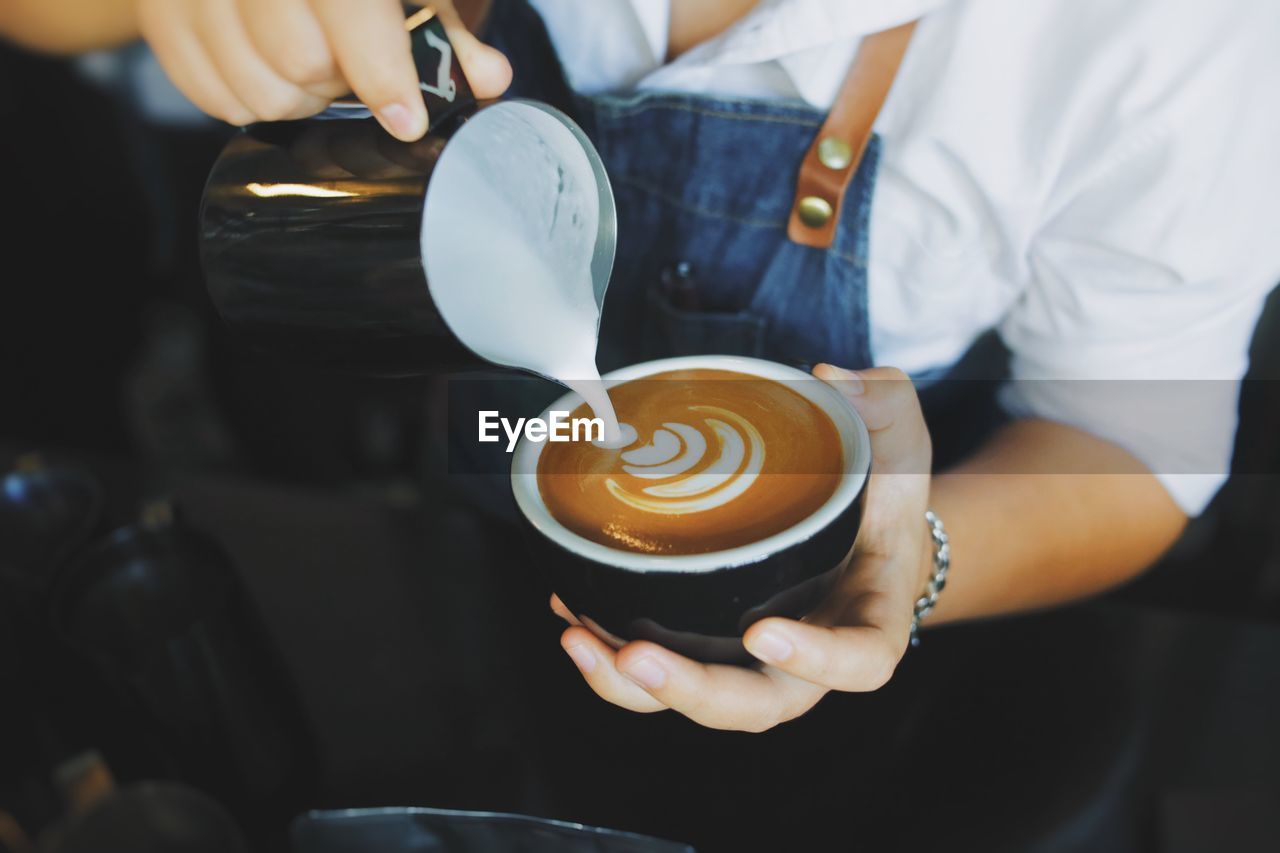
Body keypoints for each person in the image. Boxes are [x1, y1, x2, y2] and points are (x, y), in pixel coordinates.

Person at [5, 0, 1279, 734]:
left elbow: (1128, 433)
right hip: (465, 526)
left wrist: (912, 562)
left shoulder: (1169, 31)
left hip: (893, 663)